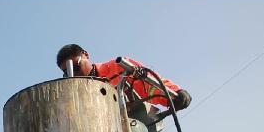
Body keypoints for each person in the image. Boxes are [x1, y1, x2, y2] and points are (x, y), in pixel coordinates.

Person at [55, 43, 192, 112]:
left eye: (76, 67)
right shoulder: (77, 96)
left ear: (86, 54)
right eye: (67, 73)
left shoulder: (119, 67)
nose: (75, 74)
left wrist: (174, 94)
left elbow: (151, 84)